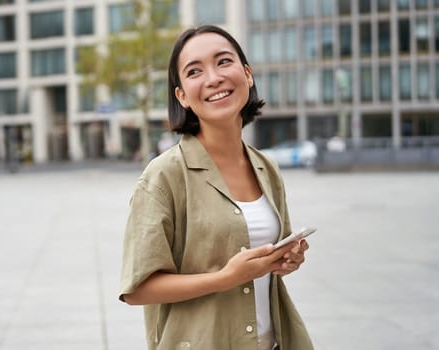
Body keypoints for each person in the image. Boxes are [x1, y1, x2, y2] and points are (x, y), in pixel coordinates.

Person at [119, 25, 314, 350]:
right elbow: (137, 289)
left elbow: (270, 261)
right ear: (181, 95)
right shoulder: (164, 175)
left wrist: (287, 260)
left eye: (224, 62)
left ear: (247, 75)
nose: (213, 78)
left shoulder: (267, 168)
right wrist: (226, 278)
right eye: (194, 71)